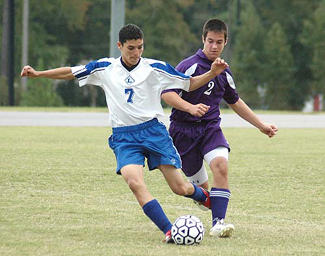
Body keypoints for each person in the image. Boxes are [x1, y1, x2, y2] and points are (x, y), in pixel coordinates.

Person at [20, 24, 229, 243]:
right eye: (131, 48)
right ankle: (169, 230)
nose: (136, 53)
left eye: (140, 47)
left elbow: (189, 84)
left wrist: (212, 73)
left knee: (181, 187)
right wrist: (38, 74)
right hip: (124, 137)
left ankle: (206, 199)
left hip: (154, 133)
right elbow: (70, 72)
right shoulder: (105, 68)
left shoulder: (155, 68)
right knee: (134, 183)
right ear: (119, 46)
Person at [161, 18, 278, 238]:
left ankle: (218, 224)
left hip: (210, 130)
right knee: (204, 196)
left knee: (221, 167)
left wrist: (261, 125)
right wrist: (191, 107)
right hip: (183, 133)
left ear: (226, 43)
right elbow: (167, 94)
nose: (214, 46)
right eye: (211, 41)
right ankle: (210, 207)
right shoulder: (189, 66)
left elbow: (235, 102)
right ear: (203, 40)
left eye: (219, 42)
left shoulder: (224, 71)